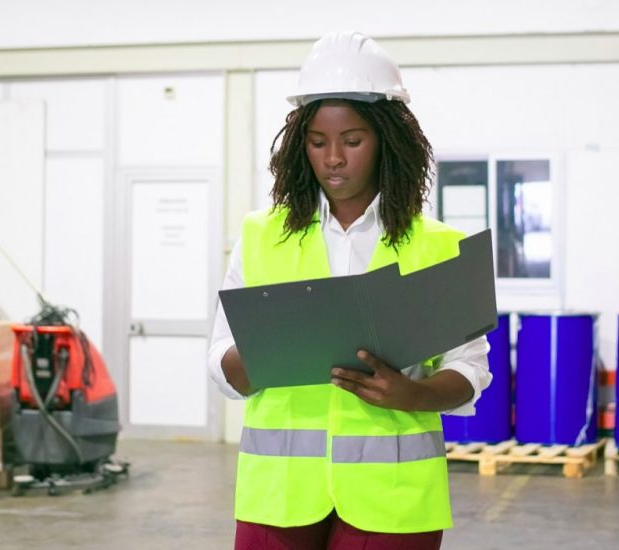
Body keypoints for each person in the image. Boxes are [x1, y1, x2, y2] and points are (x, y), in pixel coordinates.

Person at [207, 31, 492, 550]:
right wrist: (252, 361)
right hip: (279, 495)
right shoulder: (260, 235)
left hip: (393, 500)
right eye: (318, 142)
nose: (333, 158)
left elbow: (470, 368)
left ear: (388, 141)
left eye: (352, 141)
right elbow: (220, 357)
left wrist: (415, 395)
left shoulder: (439, 246)